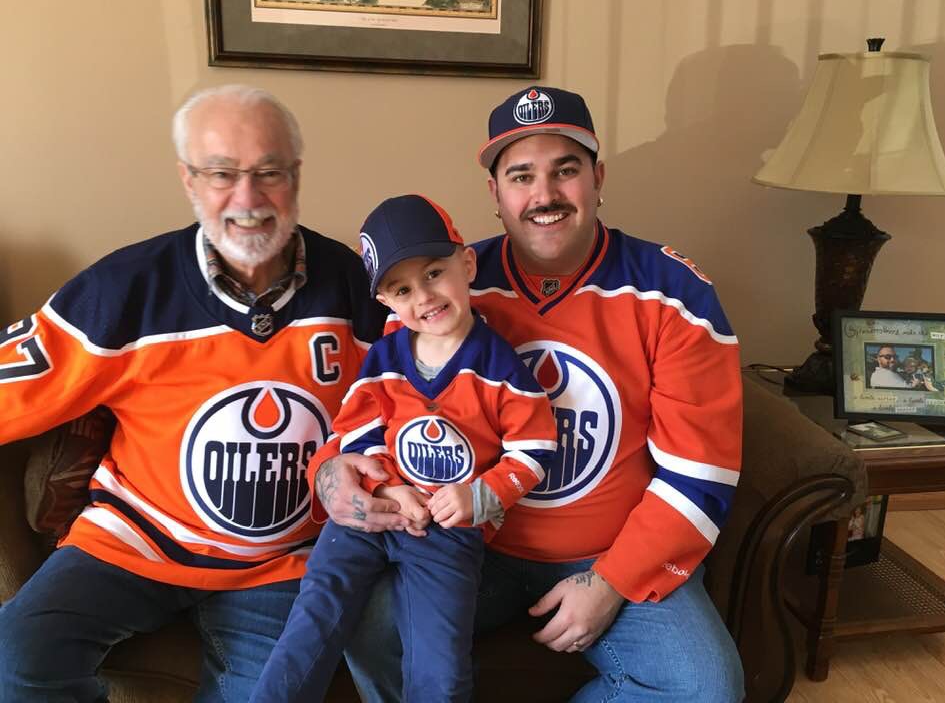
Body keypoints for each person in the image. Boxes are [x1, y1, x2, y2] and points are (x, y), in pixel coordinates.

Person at [318, 86, 745, 702]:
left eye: (565, 171)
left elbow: (701, 473)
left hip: (608, 548)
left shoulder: (676, 296)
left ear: (597, 178)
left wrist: (611, 583)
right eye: (521, 176)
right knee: (370, 623)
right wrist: (349, 476)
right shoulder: (435, 287)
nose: (544, 196)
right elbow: (366, 424)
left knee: (705, 689)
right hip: (460, 543)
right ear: (495, 194)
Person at [0, 84, 394, 702]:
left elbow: (418, 400)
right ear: (188, 180)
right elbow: (14, 382)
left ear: (295, 176)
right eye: (221, 173)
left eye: (269, 172)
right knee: (16, 656)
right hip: (131, 540)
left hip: (281, 563)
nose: (248, 198)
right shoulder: (122, 289)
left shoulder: (355, 286)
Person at [250, 194, 559, 702]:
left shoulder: (501, 368)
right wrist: (385, 484)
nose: (424, 297)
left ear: (466, 263)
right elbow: (358, 429)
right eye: (402, 288)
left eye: (435, 273)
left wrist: (478, 496)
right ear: (386, 302)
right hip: (373, 516)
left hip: (447, 530)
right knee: (313, 617)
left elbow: (534, 449)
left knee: (438, 663)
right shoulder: (387, 356)